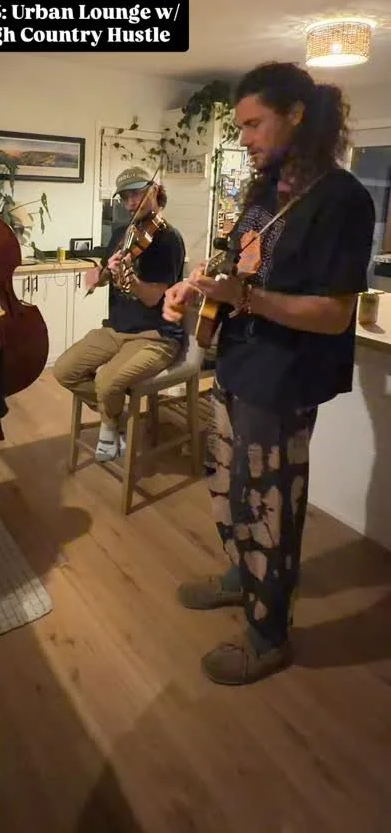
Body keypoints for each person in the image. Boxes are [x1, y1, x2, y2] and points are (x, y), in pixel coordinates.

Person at [163, 62, 375, 685]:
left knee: (270, 504)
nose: (246, 138)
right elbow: (236, 263)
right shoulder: (263, 192)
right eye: (242, 126)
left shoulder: (342, 200)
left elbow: (334, 314)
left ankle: (267, 634)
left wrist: (246, 298)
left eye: (255, 124)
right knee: (229, 485)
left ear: (297, 115)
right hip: (238, 362)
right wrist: (196, 284)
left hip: (284, 379)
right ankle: (242, 576)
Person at [54, 166, 186, 461]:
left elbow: (153, 299)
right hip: (116, 329)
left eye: (136, 194)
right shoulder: (121, 233)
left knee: (106, 382)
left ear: (154, 191)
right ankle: (118, 414)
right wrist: (104, 272)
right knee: (64, 371)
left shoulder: (168, 239)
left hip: (156, 335)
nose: (130, 203)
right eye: (125, 197)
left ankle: (110, 423)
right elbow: (98, 279)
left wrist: (132, 279)